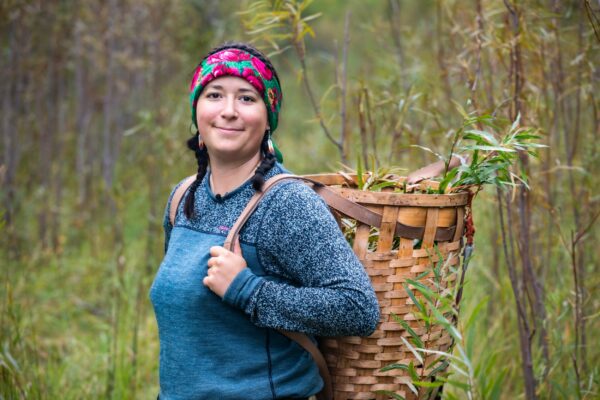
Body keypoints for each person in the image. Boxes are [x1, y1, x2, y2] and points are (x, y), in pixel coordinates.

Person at [149, 42, 380, 400]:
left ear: (268, 117)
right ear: (196, 109)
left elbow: (357, 308)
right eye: (214, 95)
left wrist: (248, 290)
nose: (228, 111)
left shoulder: (286, 202)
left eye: (246, 98)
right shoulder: (183, 198)